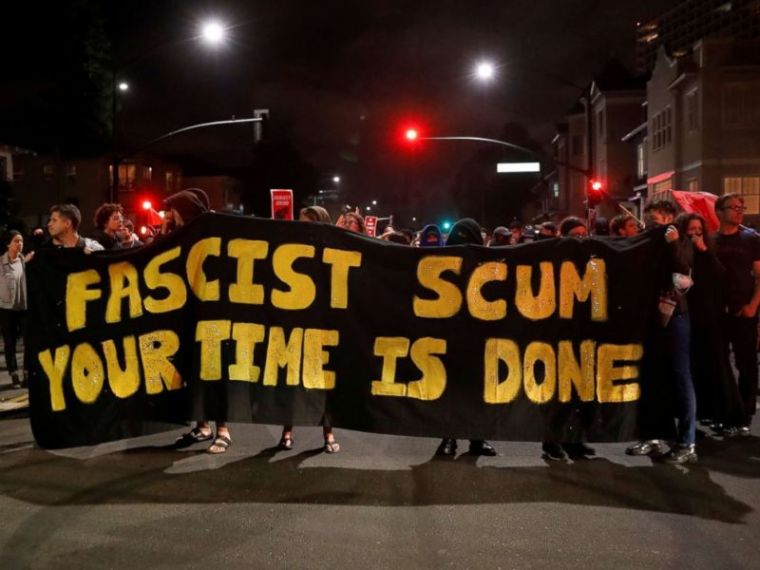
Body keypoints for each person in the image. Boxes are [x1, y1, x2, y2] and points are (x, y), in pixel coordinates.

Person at [627, 200, 698, 463]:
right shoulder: (647, 243)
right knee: (652, 377)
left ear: (670, 218)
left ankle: (687, 442)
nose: (650, 226)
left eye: (655, 221)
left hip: (675, 315)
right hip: (650, 317)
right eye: (647, 221)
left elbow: (684, 274)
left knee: (681, 376)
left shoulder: (680, 242)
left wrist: (673, 244)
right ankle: (653, 435)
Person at [166, 190, 232, 454]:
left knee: (213, 372)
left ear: (183, 210)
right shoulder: (179, 235)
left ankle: (223, 430)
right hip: (187, 315)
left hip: (212, 314)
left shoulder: (210, 232)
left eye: (173, 210)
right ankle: (203, 426)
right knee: (193, 372)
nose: (171, 216)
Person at [280, 206, 341, 453]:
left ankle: (328, 434)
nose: (303, 227)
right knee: (292, 381)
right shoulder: (289, 252)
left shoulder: (332, 251)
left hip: (323, 325)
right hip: (295, 324)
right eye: (301, 222)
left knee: (324, 382)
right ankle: (287, 432)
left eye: (309, 223)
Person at [676, 213, 744, 434]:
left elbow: (720, 276)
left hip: (710, 316)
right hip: (689, 314)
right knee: (697, 367)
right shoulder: (679, 253)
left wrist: (704, 250)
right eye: (691, 229)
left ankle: (730, 416)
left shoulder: (708, 251)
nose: (695, 233)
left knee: (718, 364)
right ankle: (705, 412)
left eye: (699, 229)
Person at [435, 218, 497, 457]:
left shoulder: (489, 266)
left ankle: (478, 439)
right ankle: (448, 437)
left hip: (479, 339)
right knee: (451, 391)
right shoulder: (441, 265)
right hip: (450, 338)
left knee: (478, 392)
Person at [714, 193, 760, 436]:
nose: (739, 211)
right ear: (719, 212)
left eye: (742, 207)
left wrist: (753, 305)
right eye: (733, 207)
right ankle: (726, 412)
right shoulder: (711, 240)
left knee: (747, 364)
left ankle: (745, 414)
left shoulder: (751, 239)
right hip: (718, 313)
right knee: (720, 364)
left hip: (744, 311)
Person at [0, 231, 32, 387]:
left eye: (21, 241)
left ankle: (27, 373)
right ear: (8, 244)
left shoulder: (25, 261)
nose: (20, 244)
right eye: (16, 241)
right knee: (10, 343)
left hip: (24, 307)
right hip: (7, 308)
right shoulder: (0, 263)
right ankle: (13, 375)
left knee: (29, 341)